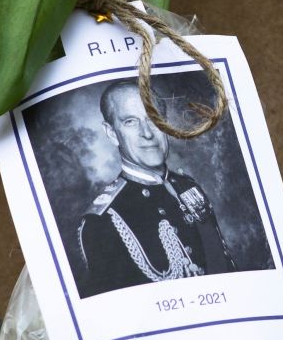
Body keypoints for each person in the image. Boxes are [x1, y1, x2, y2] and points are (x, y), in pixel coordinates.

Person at [76, 80, 233, 296]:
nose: (147, 133)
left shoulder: (188, 187)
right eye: (131, 122)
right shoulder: (103, 221)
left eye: (154, 118)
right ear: (112, 133)